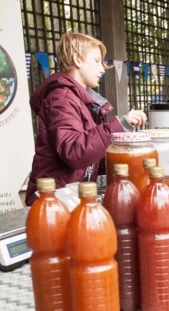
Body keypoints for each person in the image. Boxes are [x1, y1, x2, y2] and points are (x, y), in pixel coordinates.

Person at [26, 32, 146, 204]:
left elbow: (91, 157)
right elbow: (76, 152)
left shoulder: (81, 101)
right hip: (52, 201)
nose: (102, 69)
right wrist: (121, 125)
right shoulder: (61, 99)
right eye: (97, 61)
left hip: (67, 197)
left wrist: (128, 153)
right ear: (78, 60)